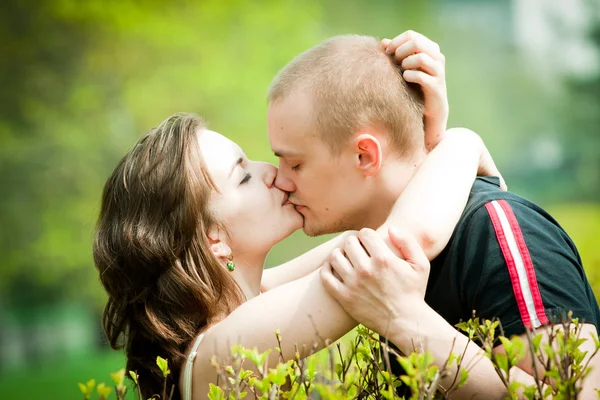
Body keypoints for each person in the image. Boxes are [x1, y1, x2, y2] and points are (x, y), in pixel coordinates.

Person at [93, 32, 500, 399]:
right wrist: (461, 142)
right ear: (213, 239)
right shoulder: (218, 350)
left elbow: (366, 235)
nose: (272, 172)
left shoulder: (246, 301)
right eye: (243, 176)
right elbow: (398, 246)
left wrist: (418, 131)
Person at [266, 31, 600, 397]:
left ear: (365, 156)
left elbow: (578, 394)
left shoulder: (494, 230)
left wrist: (405, 319)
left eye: (295, 164)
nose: (280, 181)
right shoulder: (379, 252)